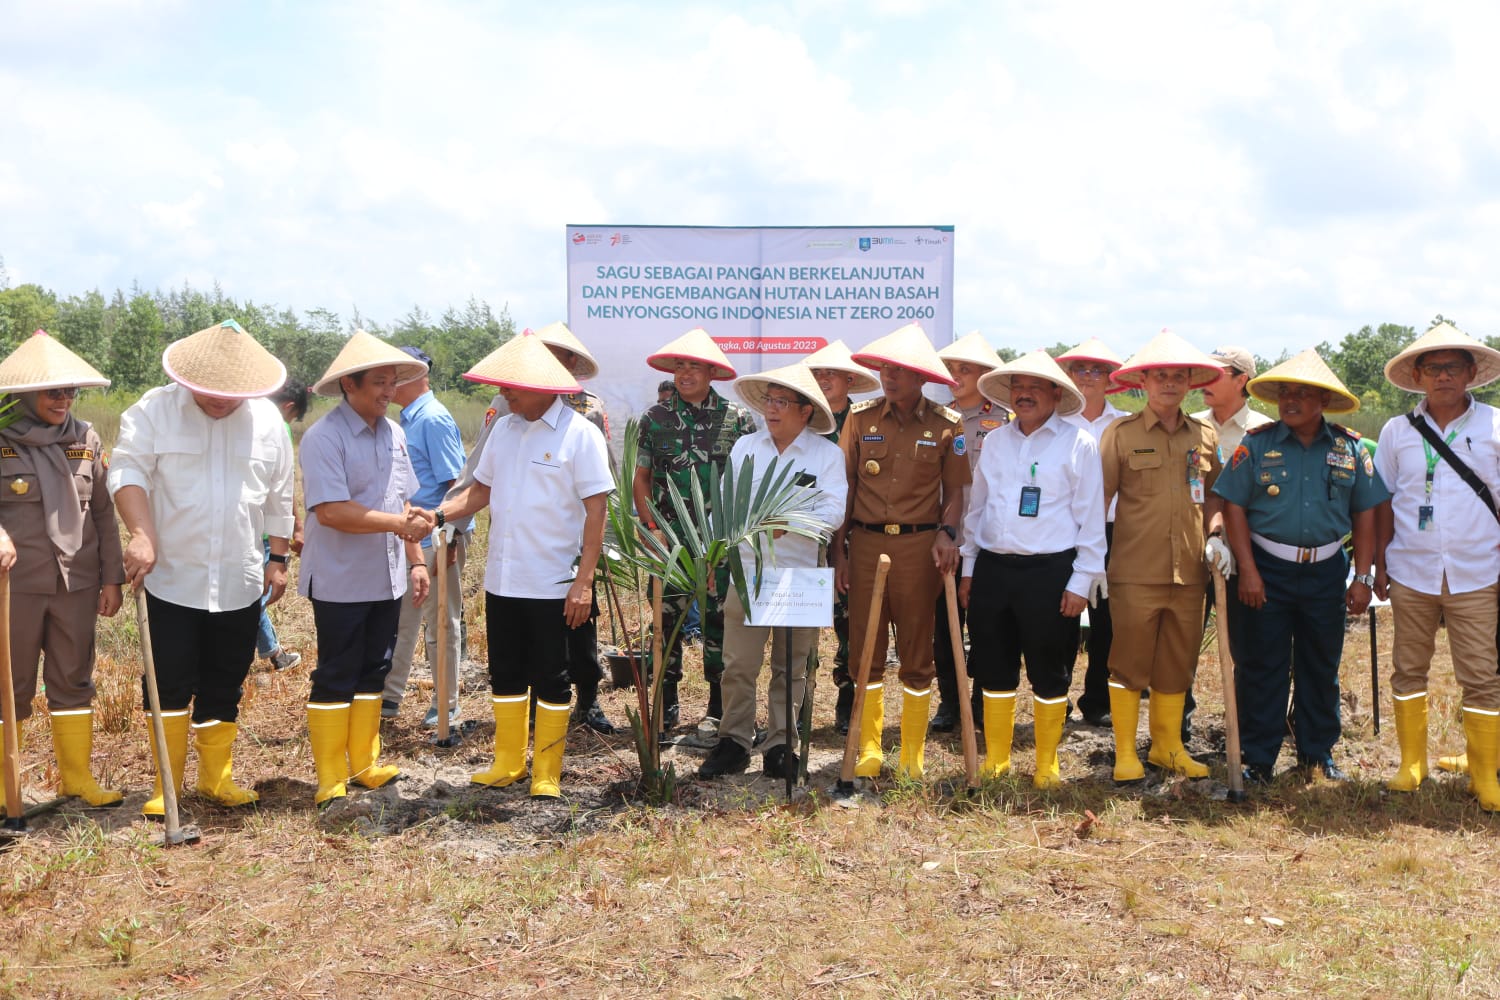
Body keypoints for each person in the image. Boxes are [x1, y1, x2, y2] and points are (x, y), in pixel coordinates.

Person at [109, 320, 294, 816]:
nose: (219, 400)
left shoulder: (268, 423)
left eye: (230, 394)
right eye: (208, 392)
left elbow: (279, 495)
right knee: (167, 681)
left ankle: (217, 779)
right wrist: (141, 534)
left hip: (239, 577)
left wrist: (277, 558)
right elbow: (126, 471)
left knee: (225, 678)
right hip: (171, 575)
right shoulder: (153, 411)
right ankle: (164, 785)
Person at [436, 333, 612, 798]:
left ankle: (547, 771)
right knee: (507, 672)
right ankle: (508, 762)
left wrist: (584, 583)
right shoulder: (505, 430)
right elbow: (481, 491)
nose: (506, 393)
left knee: (553, 676)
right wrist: (438, 515)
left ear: (544, 386)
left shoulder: (581, 435)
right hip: (503, 578)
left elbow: (597, 511)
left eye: (513, 385)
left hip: (554, 582)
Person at [1214, 351, 1387, 784]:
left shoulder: (1350, 448)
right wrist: (1248, 571)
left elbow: (1366, 512)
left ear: (1323, 400)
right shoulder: (1256, 444)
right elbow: (1232, 505)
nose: (1290, 401)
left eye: (1301, 394)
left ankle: (1316, 753)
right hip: (1266, 569)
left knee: (1320, 664)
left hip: (1326, 571)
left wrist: (1362, 577)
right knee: (1262, 665)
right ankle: (1258, 758)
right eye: (1284, 393)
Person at [958, 351, 1105, 787]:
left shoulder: (1078, 442)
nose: (1024, 395)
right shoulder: (996, 441)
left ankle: (1046, 762)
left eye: (1035, 387)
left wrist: (1081, 582)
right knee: (993, 665)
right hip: (993, 569)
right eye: (1018, 387)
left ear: (1056, 394)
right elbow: (978, 506)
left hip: (1050, 572)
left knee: (1050, 667)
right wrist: (969, 567)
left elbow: (1091, 519)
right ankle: (998, 759)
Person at [299, 331, 431, 807]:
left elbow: (404, 501)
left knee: (375, 668)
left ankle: (364, 763)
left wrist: (416, 561)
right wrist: (401, 524)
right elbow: (331, 510)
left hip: (387, 574)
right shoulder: (323, 438)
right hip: (339, 577)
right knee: (337, 671)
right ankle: (331, 776)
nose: (388, 391)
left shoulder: (394, 433)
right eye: (378, 382)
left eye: (392, 382)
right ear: (349, 386)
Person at [832, 324, 969, 781]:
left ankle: (912, 750)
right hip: (866, 543)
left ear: (921, 377)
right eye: (885, 368)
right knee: (864, 648)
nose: (889, 376)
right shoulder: (861, 418)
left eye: (900, 370)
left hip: (919, 545)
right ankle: (870, 748)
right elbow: (845, 487)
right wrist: (840, 552)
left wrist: (948, 533)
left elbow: (956, 490)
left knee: (916, 647)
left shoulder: (947, 426)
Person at [698, 363, 846, 779]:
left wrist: (789, 519)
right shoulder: (747, 447)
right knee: (738, 664)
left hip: (799, 575)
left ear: (805, 410)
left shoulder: (826, 454)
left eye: (782, 402)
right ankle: (734, 742)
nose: (772, 409)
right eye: (769, 400)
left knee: (792, 666)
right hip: (747, 573)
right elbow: (724, 505)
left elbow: (834, 510)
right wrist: (711, 554)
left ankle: (782, 744)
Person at [1374, 323, 1500, 809]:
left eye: (1452, 367)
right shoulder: (1396, 431)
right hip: (1411, 570)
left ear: (1471, 372)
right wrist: (1378, 565)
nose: (1443, 376)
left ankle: (1485, 775)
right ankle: (1412, 764)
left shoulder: (1493, 425)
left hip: (1478, 570)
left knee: (1481, 674)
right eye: (1433, 367)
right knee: (1408, 668)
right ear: (1417, 375)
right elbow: (1381, 501)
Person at [0, 331, 123, 809]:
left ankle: (77, 780)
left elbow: (104, 514)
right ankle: (7, 789)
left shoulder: (86, 437)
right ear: (24, 394)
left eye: (71, 391)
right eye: (54, 391)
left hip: (77, 582)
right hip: (16, 587)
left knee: (74, 678)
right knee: (10, 685)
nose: (64, 399)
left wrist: (111, 577)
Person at [1099, 330, 1225, 783]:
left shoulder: (1206, 436)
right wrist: (1092, 559)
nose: (1169, 383)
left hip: (1191, 571)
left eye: (1178, 376)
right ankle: (1127, 752)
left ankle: (1168, 748)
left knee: (1178, 660)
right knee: (1129, 661)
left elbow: (1214, 497)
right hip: (1135, 569)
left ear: (1190, 382)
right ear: (1144, 384)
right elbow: (1100, 500)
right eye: (1160, 376)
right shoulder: (1121, 435)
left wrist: (1216, 534)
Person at [632, 328, 757, 734]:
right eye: (679, 366)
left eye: (694, 366)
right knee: (666, 622)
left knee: (722, 621)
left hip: (721, 543)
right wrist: (652, 528)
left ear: (711, 372)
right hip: (672, 541)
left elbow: (751, 480)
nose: (685, 373)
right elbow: (642, 478)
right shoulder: (655, 418)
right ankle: (666, 704)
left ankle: (719, 707)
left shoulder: (738, 420)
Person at [382, 347, 467, 728]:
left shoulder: (432, 419)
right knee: (403, 620)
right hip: (410, 540)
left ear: (417, 376)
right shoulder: (405, 421)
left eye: (394, 375)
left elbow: (458, 484)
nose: (388, 384)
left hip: (438, 539)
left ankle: (446, 704)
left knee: (440, 624)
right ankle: (389, 698)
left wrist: (450, 537)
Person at [803, 339, 879, 734]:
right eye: (816, 374)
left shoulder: (866, 421)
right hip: (803, 540)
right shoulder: (803, 419)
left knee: (851, 624)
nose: (822, 380)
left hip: (851, 541)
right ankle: (799, 704)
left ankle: (849, 702)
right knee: (802, 624)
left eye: (829, 373)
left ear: (850, 379)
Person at [932, 331, 1006, 733]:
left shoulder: (1003, 422)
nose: (954, 376)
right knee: (944, 627)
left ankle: (978, 700)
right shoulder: (937, 418)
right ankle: (949, 701)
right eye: (949, 369)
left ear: (985, 376)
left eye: (965, 370)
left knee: (983, 624)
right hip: (945, 537)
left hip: (986, 539)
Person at [1058, 337, 1128, 727]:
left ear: (1110, 378)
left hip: (1113, 530)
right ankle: (1057, 697)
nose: (1088, 377)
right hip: (1063, 532)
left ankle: (1098, 701)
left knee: (1107, 621)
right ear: (1068, 376)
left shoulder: (1123, 425)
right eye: (1080, 369)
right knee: (1062, 616)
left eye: (1097, 370)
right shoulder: (1057, 424)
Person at [256, 380, 308, 672]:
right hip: (265, 529)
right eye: (294, 417)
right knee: (254, 597)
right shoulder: (278, 427)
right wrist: (296, 528)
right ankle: (275, 654)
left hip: (244, 525)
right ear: (289, 407)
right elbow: (283, 489)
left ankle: (273, 652)